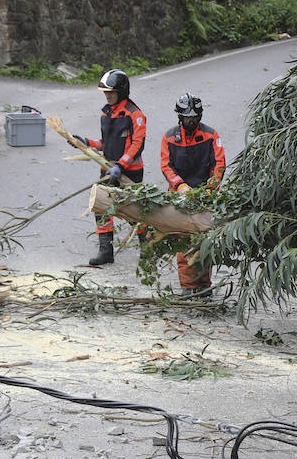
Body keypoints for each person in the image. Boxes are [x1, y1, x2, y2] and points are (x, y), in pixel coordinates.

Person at [68, 69, 147, 266]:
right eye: (105, 93)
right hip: (108, 169)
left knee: (135, 211)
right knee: (101, 208)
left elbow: (138, 144)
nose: (107, 96)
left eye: (111, 92)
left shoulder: (135, 115)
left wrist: (121, 165)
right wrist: (84, 143)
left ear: (122, 91)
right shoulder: (107, 114)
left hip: (130, 172)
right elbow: (105, 143)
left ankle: (148, 248)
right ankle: (106, 251)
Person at [160, 91, 225, 295]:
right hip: (179, 197)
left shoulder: (211, 135)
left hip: (205, 196)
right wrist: (180, 186)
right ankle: (188, 287)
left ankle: (204, 285)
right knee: (183, 241)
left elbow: (219, 165)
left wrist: (209, 189)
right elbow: (166, 165)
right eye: (187, 118)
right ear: (180, 116)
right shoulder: (170, 137)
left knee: (204, 242)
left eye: (194, 118)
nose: (191, 121)